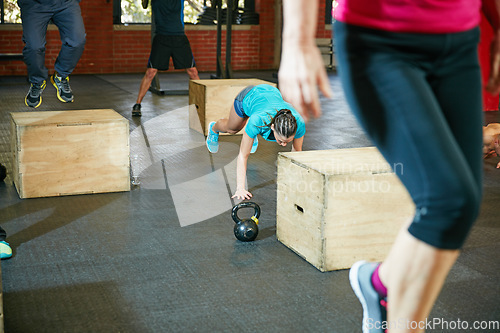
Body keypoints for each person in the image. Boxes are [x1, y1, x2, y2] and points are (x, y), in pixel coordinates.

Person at [279, 0, 498, 332]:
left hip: (460, 40)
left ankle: (379, 283)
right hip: (381, 40)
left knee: (460, 204)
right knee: (448, 201)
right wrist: (297, 39)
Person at [205, 84, 306, 200]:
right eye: (281, 141)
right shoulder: (258, 120)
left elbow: (296, 153)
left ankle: (251, 136)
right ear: (272, 127)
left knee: (252, 132)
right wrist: (240, 188)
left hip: (271, 93)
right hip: (247, 97)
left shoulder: (298, 123)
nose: (284, 145)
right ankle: (214, 128)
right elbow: (243, 156)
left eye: (288, 141)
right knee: (233, 129)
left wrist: (294, 183)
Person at [132, 0, 200, 117]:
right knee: (150, 72)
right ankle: (137, 104)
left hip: (179, 37)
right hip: (161, 38)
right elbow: (144, 5)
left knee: (192, 71)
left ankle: (202, 102)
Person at [18, 0, 86, 108]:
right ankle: (37, 82)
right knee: (34, 47)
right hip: (34, 4)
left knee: (77, 41)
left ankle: (60, 76)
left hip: (66, 3)